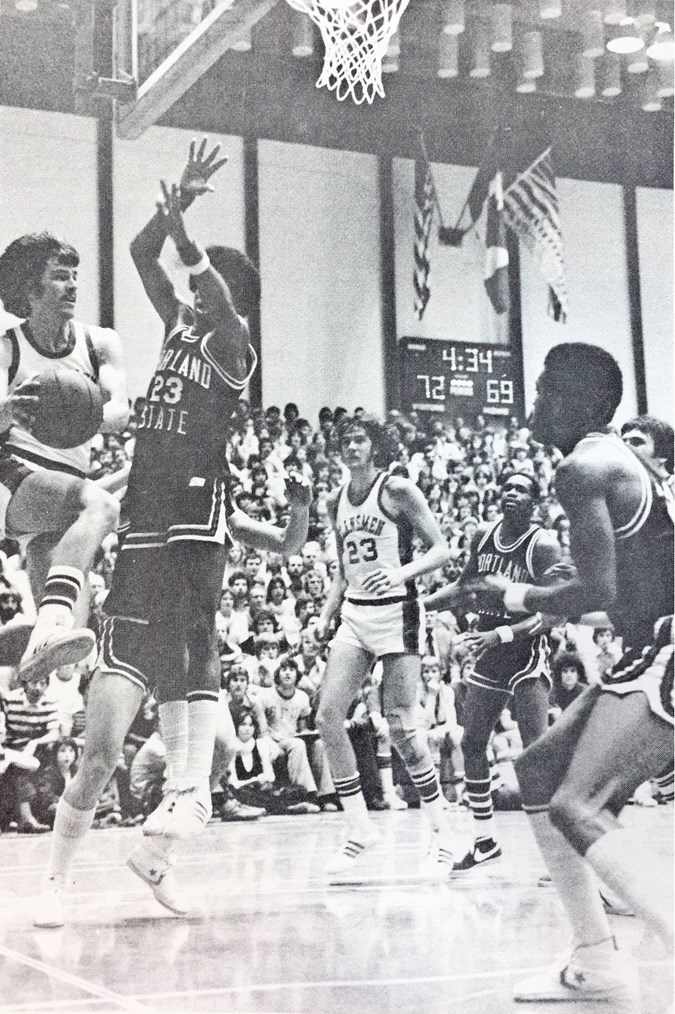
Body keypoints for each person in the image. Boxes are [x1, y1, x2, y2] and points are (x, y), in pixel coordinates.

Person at [34, 139, 311, 927]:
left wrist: (193, 247)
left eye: (207, 286)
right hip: (149, 508)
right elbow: (138, 251)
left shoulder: (232, 343)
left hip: (195, 498)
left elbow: (204, 284)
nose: (192, 293)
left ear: (230, 299)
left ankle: (182, 806)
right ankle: (63, 876)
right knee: (99, 750)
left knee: (199, 635)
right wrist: (175, 204)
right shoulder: (177, 330)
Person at [477, 344, 673, 1005]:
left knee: (575, 804)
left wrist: (508, 595)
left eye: (542, 393)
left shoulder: (580, 467)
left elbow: (594, 587)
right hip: (645, 647)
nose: (533, 406)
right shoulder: (615, 460)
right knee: (537, 772)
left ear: (579, 403)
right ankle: (594, 960)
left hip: (666, 647)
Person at [314, 414, 456, 877]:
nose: (351, 447)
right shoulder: (335, 499)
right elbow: (341, 569)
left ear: (375, 446)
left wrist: (399, 573)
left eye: (359, 440)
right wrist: (324, 614)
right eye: (345, 441)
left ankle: (441, 831)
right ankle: (358, 828)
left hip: (399, 608)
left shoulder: (397, 490)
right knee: (327, 715)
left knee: (400, 724)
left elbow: (441, 549)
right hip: (356, 612)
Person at [0, 232, 128, 680]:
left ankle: (34, 635)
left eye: (75, 276)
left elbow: (118, 410)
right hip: (12, 474)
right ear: (29, 291)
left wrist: (83, 408)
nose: (73, 286)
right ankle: (49, 622)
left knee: (64, 657)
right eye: (59, 277)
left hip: (64, 483)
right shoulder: (6, 348)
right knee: (101, 504)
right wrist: (8, 408)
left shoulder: (99, 343)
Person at [423, 470, 561, 871]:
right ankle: (484, 841)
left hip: (525, 653)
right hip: (491, 652)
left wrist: (500, 634)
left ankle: (557, 851)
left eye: (522, 489)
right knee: (472, 743)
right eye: (507, 488)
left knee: (536, 755)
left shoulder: (543, 545)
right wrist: (419, 605)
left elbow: (553, 614)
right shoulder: (483, 536)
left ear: (534, 502)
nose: (511, 493)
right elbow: (464, 588)